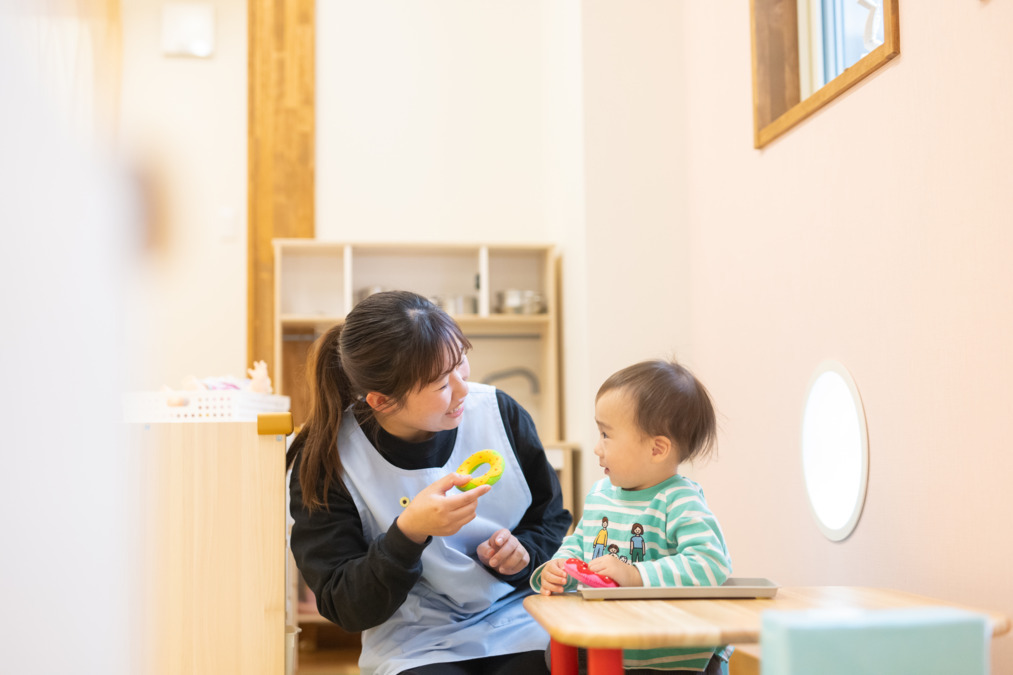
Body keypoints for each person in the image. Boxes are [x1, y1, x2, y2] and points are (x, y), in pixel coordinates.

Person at [287, 290, 572, 675]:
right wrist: (408, 533)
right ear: (381, 401)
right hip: (413, 639)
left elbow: (551, 518)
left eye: (461, 363)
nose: (462, 389)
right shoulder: (327, 459)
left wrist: (524, 555)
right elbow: (345, 605)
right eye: (440, 384)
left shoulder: (500, 413)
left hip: (518, 617)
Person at [530, 359, 732, 674]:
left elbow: (710, 563)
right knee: (553, 653)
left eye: (606, 435)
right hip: (605, 643)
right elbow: (580, 543)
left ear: (657, 449)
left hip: (667, 656)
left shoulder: (678, 500)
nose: (597, 448)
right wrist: (560, 568)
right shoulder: (600, 494)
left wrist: (636, 576)